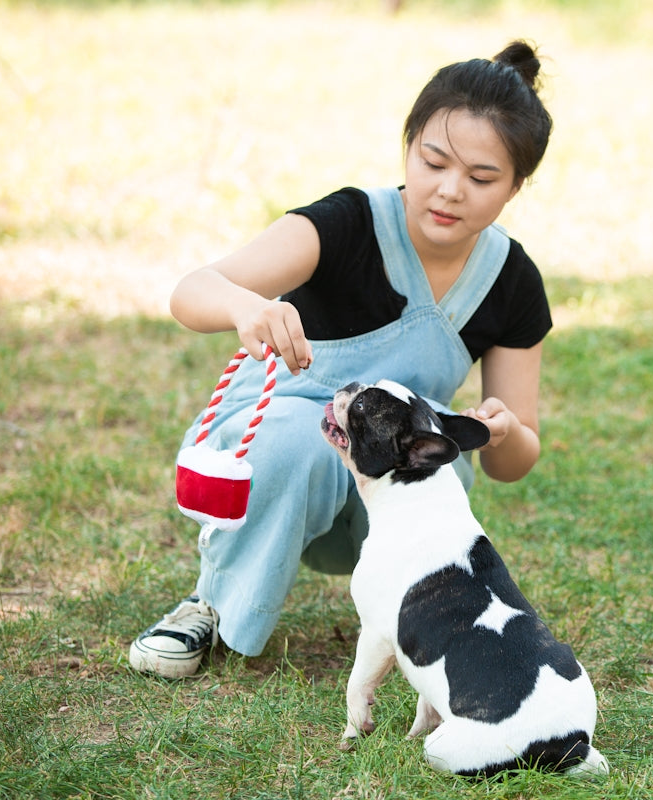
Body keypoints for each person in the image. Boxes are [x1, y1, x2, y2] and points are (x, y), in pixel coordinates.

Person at [129, 41, 555, 678]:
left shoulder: (512, 279)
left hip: (379, 472)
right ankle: (211, 604)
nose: (449, 190)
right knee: (297, 443)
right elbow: (192, 291)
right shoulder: (349, 223)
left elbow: (514, 463)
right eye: (433, 161)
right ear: (408, 146)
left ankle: (418, 617)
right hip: (282, 456)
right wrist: (246, 308)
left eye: (482, 178)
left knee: (446, 465)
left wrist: (505, 430)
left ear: (516, 186)